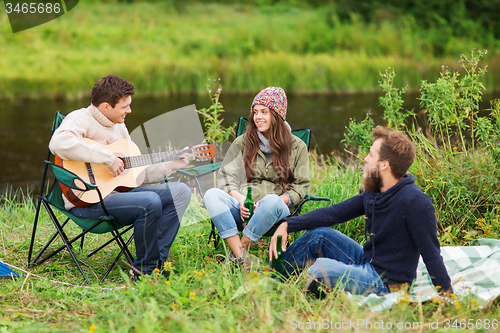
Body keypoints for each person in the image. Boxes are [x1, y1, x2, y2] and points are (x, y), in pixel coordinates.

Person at [269, 126, 452, 296]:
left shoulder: (416, 202)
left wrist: (448, 297)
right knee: (319, 235)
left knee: (319, 269)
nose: (365, 158)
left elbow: (431, 254)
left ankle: (316, 293)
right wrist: (288, 224)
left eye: (371, 155)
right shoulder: (375, 190)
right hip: (367, 262)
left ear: (384, 165)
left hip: (388, 284)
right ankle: (269, 279)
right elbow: (335, 213)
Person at [49, 75, 193, 277]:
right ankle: (145, 273)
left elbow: (135, 174)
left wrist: (172, 165)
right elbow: (58, 143)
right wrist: (106, 158)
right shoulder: (79, 118)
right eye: (125, 106)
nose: (129, 111)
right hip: (87, 201)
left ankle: (156, 263)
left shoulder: (119, 126)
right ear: (106, 107)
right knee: (149, 201)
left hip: (117, 195)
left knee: (180, 192)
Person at [203, 87, 310, 266]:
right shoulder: (242, 142)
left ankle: (240, 249)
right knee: (211, 195)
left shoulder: (297, 146)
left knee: (272, 201)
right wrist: (240, 199)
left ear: (277, 115)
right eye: (255, 112)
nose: (258, 117)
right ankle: (241, 258)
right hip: (243, 208)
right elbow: (225, 178)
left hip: (274, 210)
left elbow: (301, 187)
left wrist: (279, 199)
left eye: (264, 112)